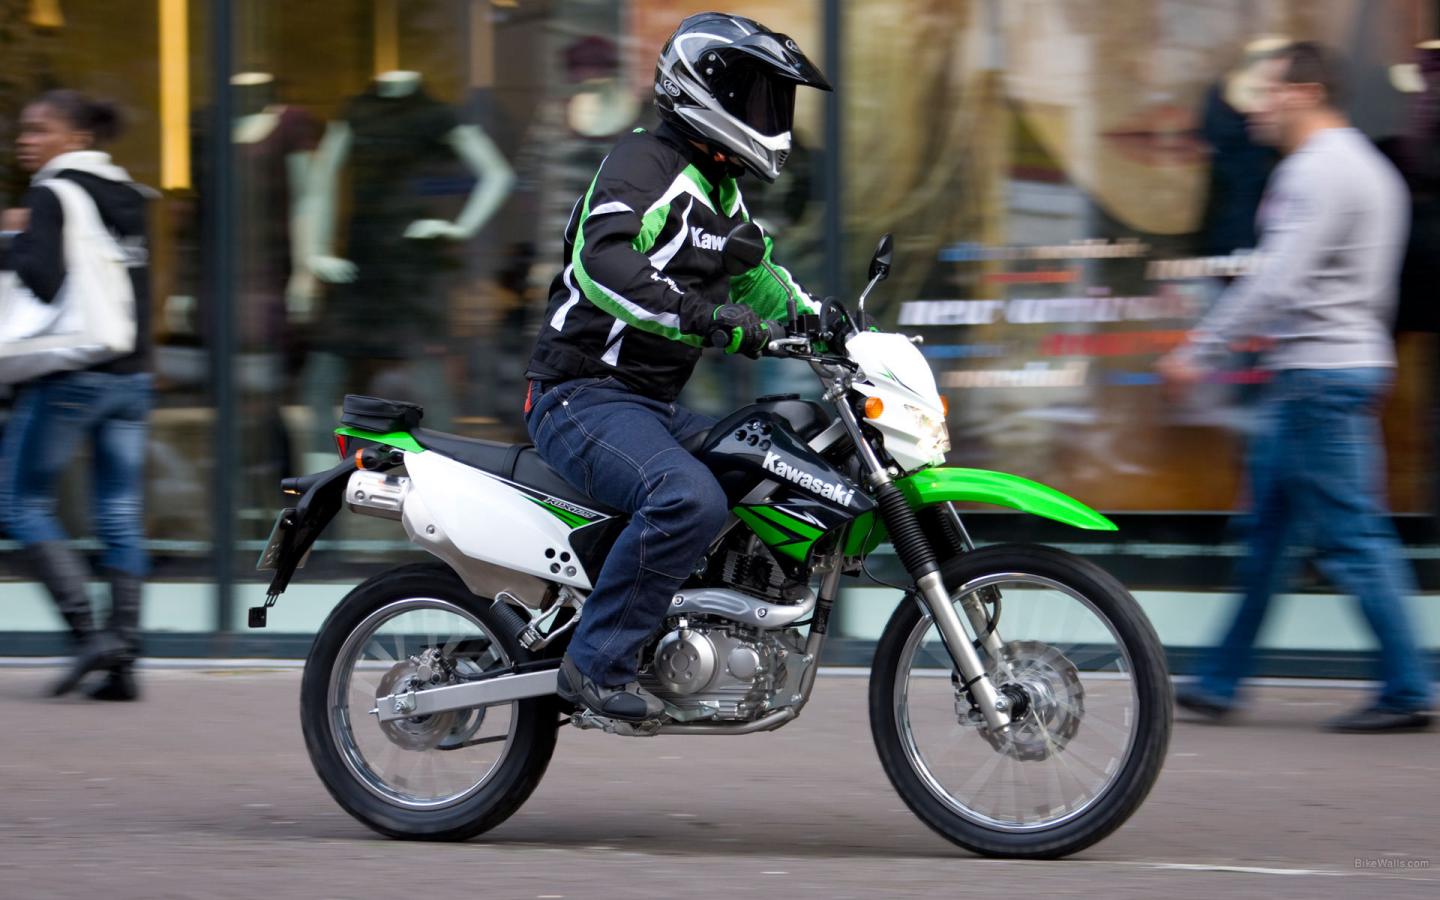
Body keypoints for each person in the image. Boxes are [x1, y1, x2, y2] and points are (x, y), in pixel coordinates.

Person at [523, 12, 831, 722]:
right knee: (687, 498)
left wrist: (826, 326)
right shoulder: (643, 164)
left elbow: (758, 280)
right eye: (760, 98)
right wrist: (702, 316)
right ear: (706, 92)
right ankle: (595, 665)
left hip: (648, 405)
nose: (773, 118)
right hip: (581, 395)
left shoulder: (720, 192)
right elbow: (601, 259)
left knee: (765, 460)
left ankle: (693, 623)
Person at [1158, 43, 1433, 733]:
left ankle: (1407, 686)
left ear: (1307, 92)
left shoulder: (1315, 171)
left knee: (1353, 538)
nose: (1257, 105)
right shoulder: (1368, 167)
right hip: (1330, 369)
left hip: (1318, 378)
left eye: (1270, 91)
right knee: (1270, 537)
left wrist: (1199, 349)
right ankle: (1219, 681)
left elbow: (1275, 281)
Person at [0, 90, 153, 701]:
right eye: (24, 129)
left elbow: (44, 278)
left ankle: (89, 635)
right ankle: (123, 660)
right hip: (132, 376)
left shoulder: (54, 192)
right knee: (118, 514)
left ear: (78, 137)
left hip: (76, 374)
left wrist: (12, 236)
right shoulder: (129, 195)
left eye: (41, 129)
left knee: (18, 502)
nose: (26, 139)